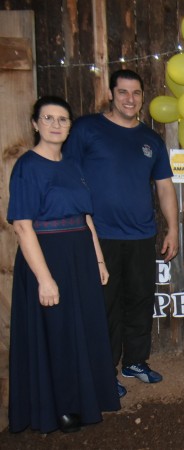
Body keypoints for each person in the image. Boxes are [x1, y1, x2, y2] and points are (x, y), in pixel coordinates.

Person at [7, 96, 121, 433]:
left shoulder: (73, 165)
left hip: (81, 258)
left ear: (70, 126)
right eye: (49, 118)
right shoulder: (27, 166)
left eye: (63, 119)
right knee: (55, 332)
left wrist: (98, 259)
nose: (56, 125)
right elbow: (22, 226)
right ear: (35, 123)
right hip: (47, 258)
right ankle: (59, 407)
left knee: (81, 329)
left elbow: (86, 218)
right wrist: (44, 279)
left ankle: (86, 400)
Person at [63, 69, 179, 398]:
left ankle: (135, 362)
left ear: (143, 97)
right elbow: (66, 174)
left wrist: (171, 228)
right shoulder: (86, 129)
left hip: (142, 235)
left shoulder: (151, 140)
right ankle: (104, 371)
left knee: (140, 300)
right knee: (105, 305)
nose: (130, 99)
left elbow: (165, 187)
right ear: (112, 94)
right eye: (124, 92)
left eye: (136, 93)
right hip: (99, 237)